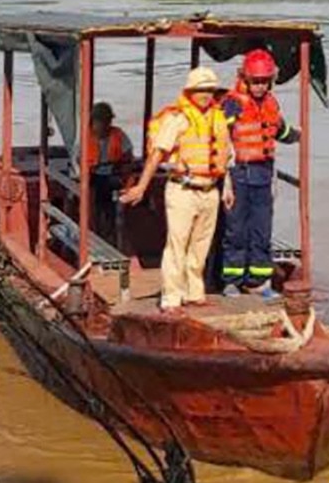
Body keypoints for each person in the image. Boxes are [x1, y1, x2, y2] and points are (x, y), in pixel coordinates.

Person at [121, 67, 234, 312]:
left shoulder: (218, 118)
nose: (206, 94)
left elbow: (225, 157)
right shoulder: (178, 119)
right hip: (183, 189)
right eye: (201, 90)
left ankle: (195, 293)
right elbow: (156, 155)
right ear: (190, 91)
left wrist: (227, 187)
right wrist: (141, 186)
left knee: (201, 246)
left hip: (210, 190)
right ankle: (171, 297)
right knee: (177, 245)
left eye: (210, 90)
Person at [217, 48, 298, 297]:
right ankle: (232, 280)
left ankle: (258, 282)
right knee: (236, 230)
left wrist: (298, 135)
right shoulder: (232, 102)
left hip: (263, 173)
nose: (260, 86)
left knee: (261, 230)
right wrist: (226, 179)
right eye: (256, 81)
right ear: (245, 78)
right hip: (239, 173)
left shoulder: (271, 104)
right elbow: (219, 135)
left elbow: (280, 132)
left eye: (264, 81)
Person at [87, 100, 135, 247]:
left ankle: (110, 234)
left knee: (109, 195)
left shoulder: (118, 135)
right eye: (100, 121)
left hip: (114, 176)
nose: (104, 125)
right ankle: (95, 232)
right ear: (93, 121)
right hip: (92, 177)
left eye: (107, 121)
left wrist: (120, 167)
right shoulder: (84, 137)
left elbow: (128, 156)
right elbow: (78, 160)